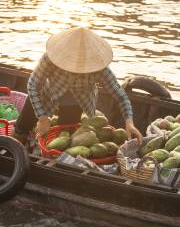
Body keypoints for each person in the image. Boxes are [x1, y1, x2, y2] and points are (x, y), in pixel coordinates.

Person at [12, 26, 143, 146]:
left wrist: (129, 122)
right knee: (21, 128)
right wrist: (42, 118)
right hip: (47, 94)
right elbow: (33, 84)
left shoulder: (99, 68)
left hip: (76, 102)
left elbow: (120, 96)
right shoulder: (50, 58)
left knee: (64, 138)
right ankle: (15, 144)